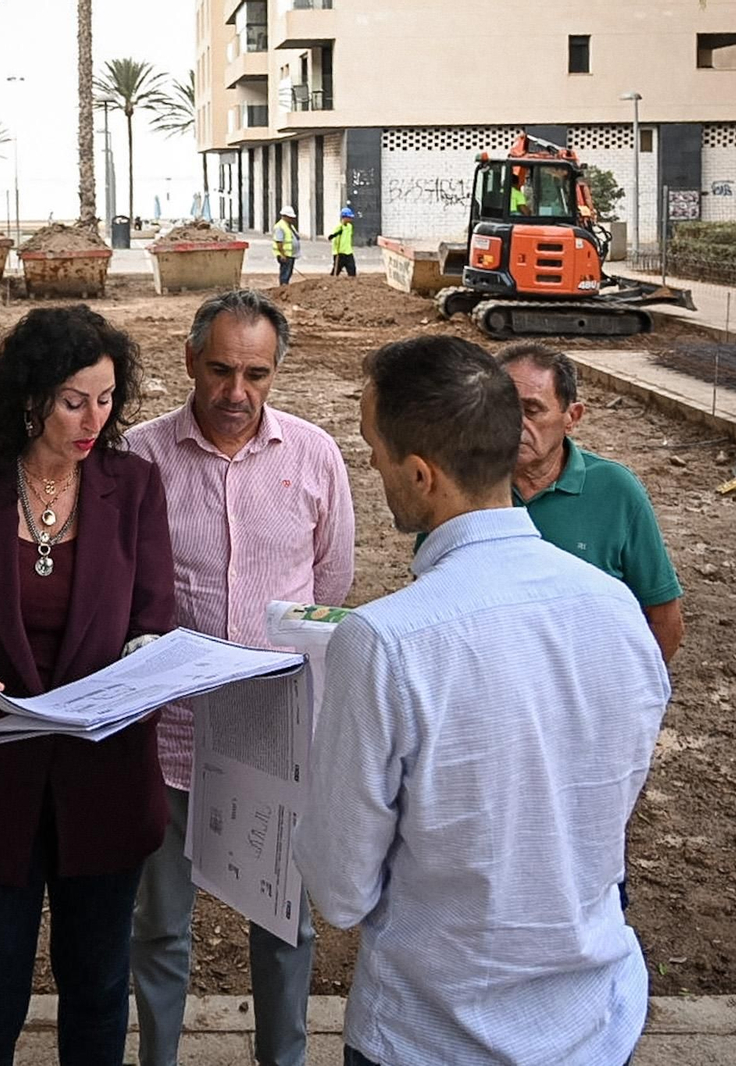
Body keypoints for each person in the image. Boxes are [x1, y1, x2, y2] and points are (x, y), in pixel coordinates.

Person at [296, 335, 670, 1066]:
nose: (371, 469)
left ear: (420, 474)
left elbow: (341, 891)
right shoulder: (619, 611)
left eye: (374, 451)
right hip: (595, 1021)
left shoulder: (385, 642)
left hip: (432, 1033)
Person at [0, 305, 176, 1066]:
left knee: (97, 993)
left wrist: (140, 663)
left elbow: (154, 621)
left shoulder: (134, 486)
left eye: (108, 399)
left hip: (105, 784)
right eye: (73, 400)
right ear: (27, 394)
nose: (93, 420)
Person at [126, 289, 354, 1066]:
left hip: (275, 740)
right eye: (220, 369)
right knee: (158, 924)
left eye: (257, 374)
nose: (236, 393)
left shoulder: (316, 456)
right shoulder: (140, 456)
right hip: (171, 737)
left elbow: (331, 581)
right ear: (189, 359)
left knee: (286, 922)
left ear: (277, 370)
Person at [498, 342, 685, 662]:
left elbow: (665, 619)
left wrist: (630, 698)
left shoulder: (615, 491)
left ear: (572, 417)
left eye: (531, 410)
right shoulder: (464, 486)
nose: (514, 424)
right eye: (501, 409)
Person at [273, 205, 299, 286]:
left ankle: (285, 285)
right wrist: (282, 254)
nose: (292, 219)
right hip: (285, 255)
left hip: (290, 254)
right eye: (290, 217)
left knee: (289, 272)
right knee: (285, 273)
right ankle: (283, 286)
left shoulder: (289, 226)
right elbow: (279, 242)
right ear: (285, 216)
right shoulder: (280, 226)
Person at [328, 206, 356, 277]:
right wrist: (335, 252)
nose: (350, 219)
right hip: (339, 253)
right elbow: (333, 239)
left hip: (348, 252)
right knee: (336, 270)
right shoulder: (338, 227)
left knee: (352, 270)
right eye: (349, 217)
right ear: (344, 217)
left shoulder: (350, 227)